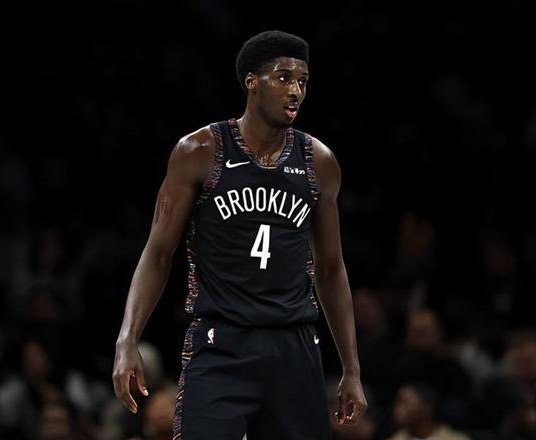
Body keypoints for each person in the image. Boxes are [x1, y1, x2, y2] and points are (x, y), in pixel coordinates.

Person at [112, 29, 367, 439]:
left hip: (294, 345)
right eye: (283, 78)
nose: (296, 91)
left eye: (303, 81)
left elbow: (331, 269)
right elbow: (157, 253)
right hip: (221, 344)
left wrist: (351, 369)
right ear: (252, 82)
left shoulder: (318, 162)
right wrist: (128, 339)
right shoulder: (200, 151)